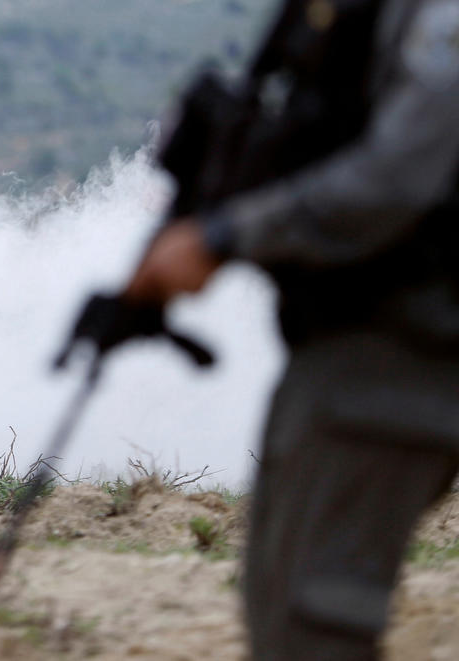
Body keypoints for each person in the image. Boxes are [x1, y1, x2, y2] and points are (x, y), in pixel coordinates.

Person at [72, 0, 459, 657]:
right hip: (337, 352)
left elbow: (398, 175)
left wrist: (227, 237)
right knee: (278, 610)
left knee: (315, 629)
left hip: (401, 356)